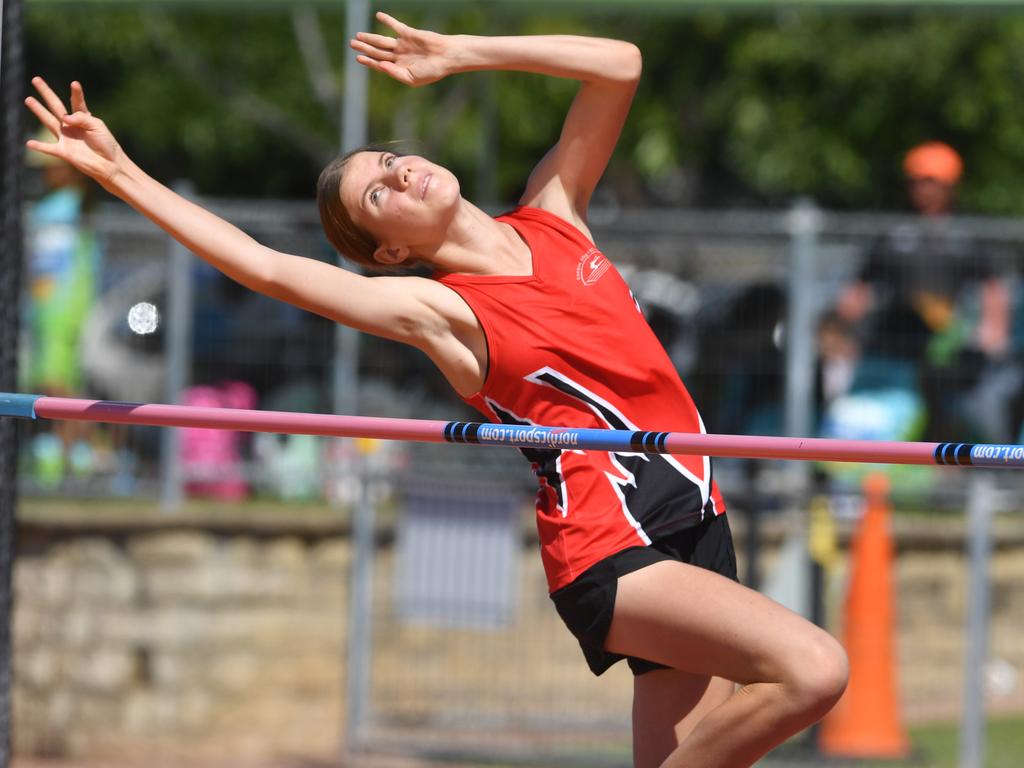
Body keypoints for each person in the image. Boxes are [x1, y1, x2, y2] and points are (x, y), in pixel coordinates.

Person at [25, 13, 847, 766]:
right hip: (613, 549)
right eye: (379, 195)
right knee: (813, 670)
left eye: (389, 161)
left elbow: (621, 65)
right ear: (387, 253)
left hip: (696, 516)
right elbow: (270, 269)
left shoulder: (557, 210)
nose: (401, 172)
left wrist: (462, 55)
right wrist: (121, 171)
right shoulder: (440, 311)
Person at [835, 141, 1013, 442]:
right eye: (916, 181)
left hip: (948, 350)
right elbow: (860, 288)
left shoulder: (967, 235)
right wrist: (837, 327)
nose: (922, 188)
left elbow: (991, 287)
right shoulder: (894, 236)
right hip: (894, 349)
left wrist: (994, 331)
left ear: (950, 186)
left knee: (964, 414)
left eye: (930, 181)